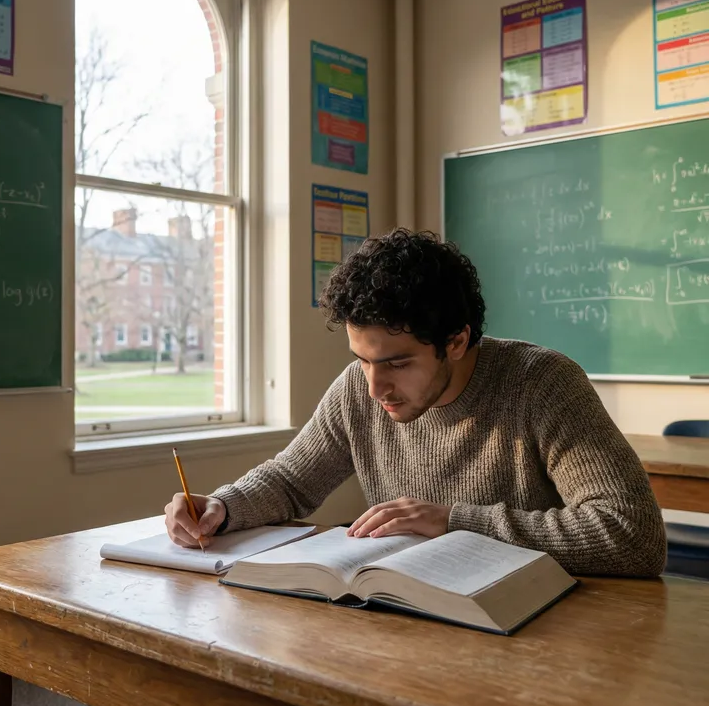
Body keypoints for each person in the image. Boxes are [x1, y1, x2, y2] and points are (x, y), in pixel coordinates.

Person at [165, 229, 666, 576]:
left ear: (455, 340)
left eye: (397, 364)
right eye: (362, 360)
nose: (373, 387)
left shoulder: (543, 384)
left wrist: (454, 521)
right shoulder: (357, 392)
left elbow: (633, 535)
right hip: (410, 613)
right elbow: (292, 481)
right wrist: (222, 507)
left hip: (539, 629)